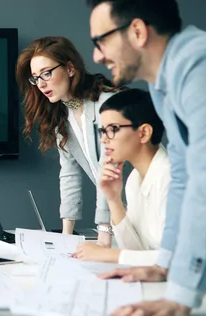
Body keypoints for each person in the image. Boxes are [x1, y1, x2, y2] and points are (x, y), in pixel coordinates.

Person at [88, 0, 206, 314]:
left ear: (138, 31)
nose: (96, 56)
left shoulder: (198, 64)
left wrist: (180, 296)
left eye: (100, 41)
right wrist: (165, 265)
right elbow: (183, 175)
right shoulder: (161, 85)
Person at [15, 36, 120, 245]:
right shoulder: (63, 118)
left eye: (46, 73)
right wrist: (65, 237)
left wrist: (104, 233)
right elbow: (69, 176)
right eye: (36, 78)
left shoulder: (107, 106)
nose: (41, 84)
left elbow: (110, 169)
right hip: (121, 216)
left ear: (70, 68)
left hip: (151, 206)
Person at [73, 89, 168, 266]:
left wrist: (106, 254)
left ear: (144, 133)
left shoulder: (172, 179)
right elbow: (136, 253)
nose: (103, 140)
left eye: (113, 129)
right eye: (103, 130)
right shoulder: (133, 180)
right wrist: (113, 200)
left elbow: (178, 260)